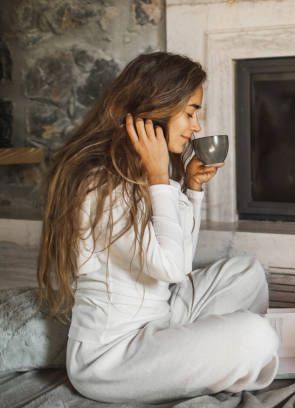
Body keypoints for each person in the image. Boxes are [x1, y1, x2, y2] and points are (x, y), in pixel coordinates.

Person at [36, 52, 279, 403]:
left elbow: (176, 265)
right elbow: (172, 266)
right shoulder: (98, 183)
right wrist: (160, 178)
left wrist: (192, 191)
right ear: (158, 107)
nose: (196, 126)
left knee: (248, 273)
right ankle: (210, 361)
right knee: (258, 338)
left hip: (163, 314)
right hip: (113, 357)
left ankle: (195, 359)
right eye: (191, 112)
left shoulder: (137, 170)